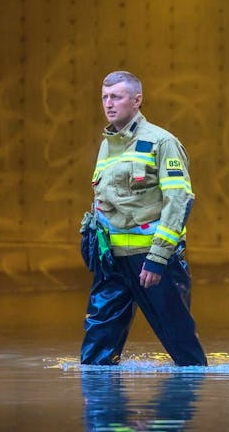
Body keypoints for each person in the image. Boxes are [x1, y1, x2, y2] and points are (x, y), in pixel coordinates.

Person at [79, 70, 207, 366]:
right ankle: (103, 410)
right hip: (112, 261)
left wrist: (158, 258)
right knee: (95, 355)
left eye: (117, 97)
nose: (109, 104)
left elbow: (179, 200)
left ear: (137, 101)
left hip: (152, 263)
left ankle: (180, 408)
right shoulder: (107, 145)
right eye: (104, 97)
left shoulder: (161, 142)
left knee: (184, 351)